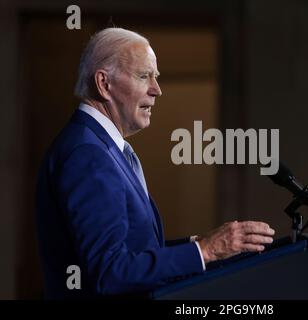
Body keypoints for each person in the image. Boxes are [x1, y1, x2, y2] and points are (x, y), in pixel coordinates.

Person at [35, 27, 275, 299]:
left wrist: (199, 245)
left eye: (156, 77)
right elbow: (109, 271)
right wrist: (206, 251)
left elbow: (132, 253)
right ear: (104, 84)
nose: (157, 90)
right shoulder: (87, 154)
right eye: (143, 76)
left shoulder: (101, 147)